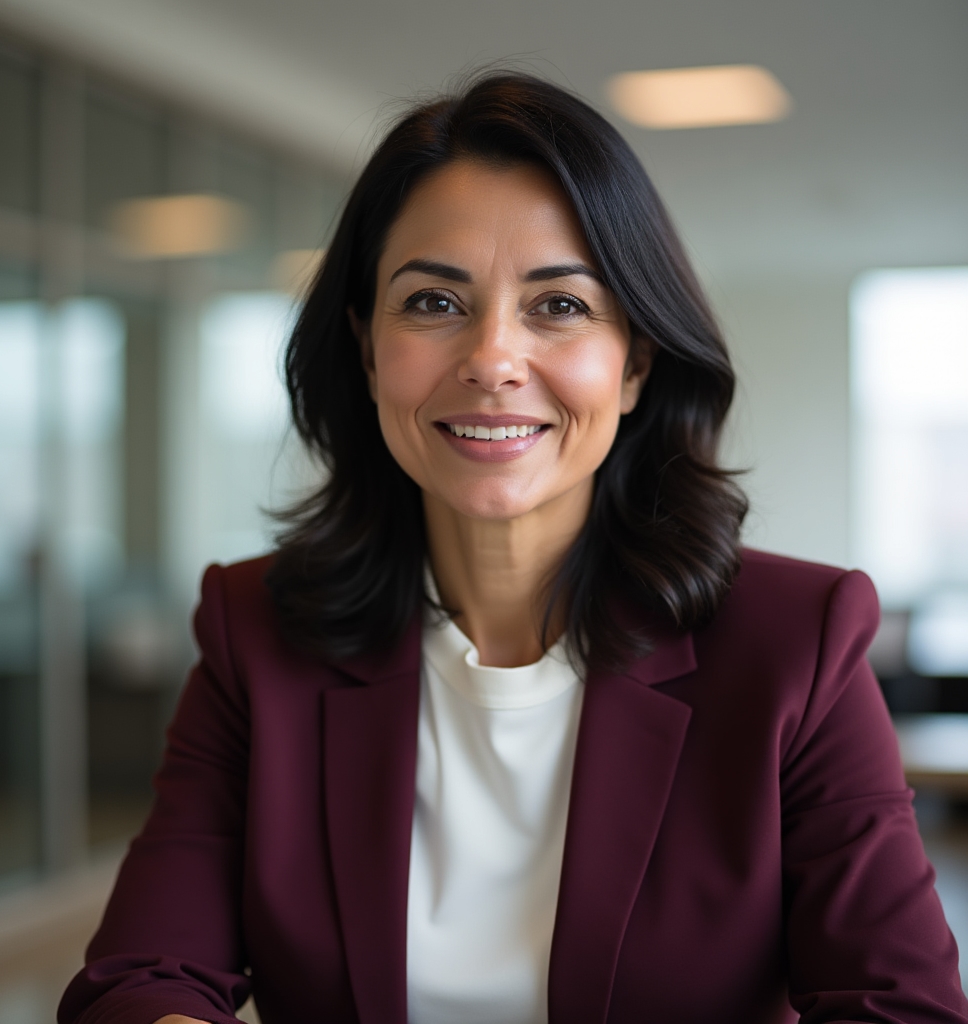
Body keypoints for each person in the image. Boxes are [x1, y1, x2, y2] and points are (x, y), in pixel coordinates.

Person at [59, 73, 967, 1024]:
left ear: (636, 363)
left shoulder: (794, 645)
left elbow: (899, 1007)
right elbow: (140, 980)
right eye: (432, 303)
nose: (493, 358)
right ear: (368, 349)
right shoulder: (257, 633)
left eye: (561, 307)